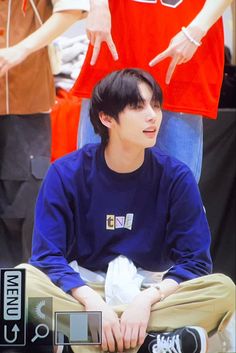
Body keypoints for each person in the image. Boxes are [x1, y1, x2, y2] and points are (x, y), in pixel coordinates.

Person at [18, 69, 235, 353]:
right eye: (138, 106)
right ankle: (149, 343)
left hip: (151, 293)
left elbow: (196, 262)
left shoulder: (176, 177)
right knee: (20, 283)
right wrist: (92, 301)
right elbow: (46, 256)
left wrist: (144, 303)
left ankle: (84, 341)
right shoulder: (65, 173)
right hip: (85, 289)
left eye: (155, 105)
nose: (153, 116)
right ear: (106, 118)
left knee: (224, 289)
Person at [71, 0, 233, 184]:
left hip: (181, 58)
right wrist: (98, 5)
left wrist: (196, 30)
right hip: (116, 49)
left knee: (175, 193)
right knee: (93, 187)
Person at [0, 0, 89, 267]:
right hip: (23, 95)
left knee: (23, 204)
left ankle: (15, 296)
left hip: (25, 96)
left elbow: (72, 8)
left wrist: (21, 49)